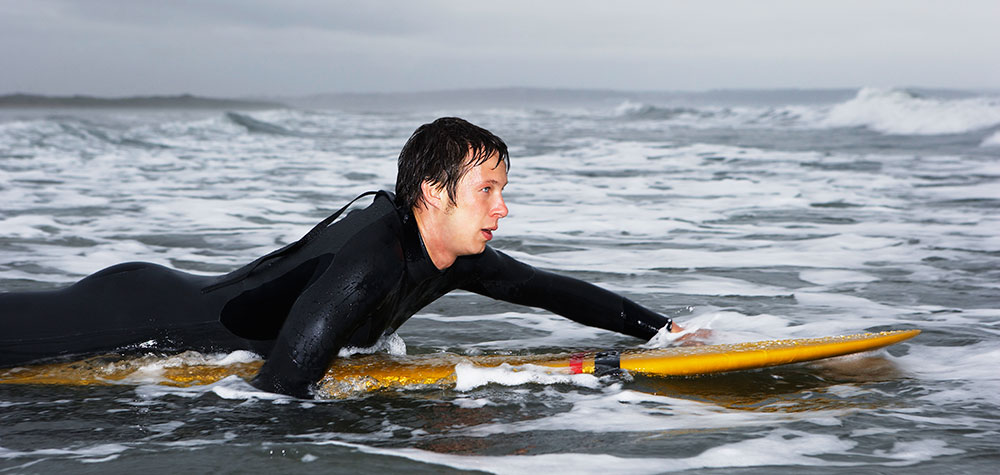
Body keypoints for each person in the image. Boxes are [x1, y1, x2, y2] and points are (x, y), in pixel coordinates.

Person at [0, 117, 685, 398]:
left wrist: (662, 331)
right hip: (136, 317)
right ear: (431, 193)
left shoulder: (459, 256)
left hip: (166, 299)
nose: (501, 208)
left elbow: (552, 290)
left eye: (503, 192)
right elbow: (277, 391)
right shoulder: (374, 260)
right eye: (487, 191)